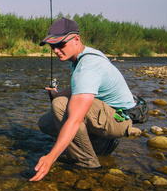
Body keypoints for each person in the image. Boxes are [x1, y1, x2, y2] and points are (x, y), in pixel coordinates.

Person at [30, 17, 141, 182]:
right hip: (109, 114)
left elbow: (74, 120)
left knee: (60, 107)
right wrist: (58, 94)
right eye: (52, 46)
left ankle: (88, 163)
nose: (55, 50)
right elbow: (80, 88)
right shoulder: (83, 56)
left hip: (120, 119)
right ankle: (99, 144)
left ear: (76, 39)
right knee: (46, 123)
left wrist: (50, 158)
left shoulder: (88, 67)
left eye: (60, 44)